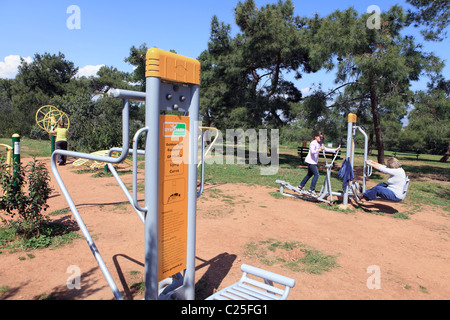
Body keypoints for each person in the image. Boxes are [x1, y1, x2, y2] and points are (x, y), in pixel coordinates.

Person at [298, 131, 340, 196]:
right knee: (316, 175)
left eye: (321, 137)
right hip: (310, 162)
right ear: (315, 137)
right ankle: (311, 190)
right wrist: (320, 149)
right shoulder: (313, 143)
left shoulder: (319, 143)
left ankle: (300, 186)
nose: (320, 138)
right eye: (319, 137)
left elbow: (325, 149)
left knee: (309, 175)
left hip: (313, 162)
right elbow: (312, 152)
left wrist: (335, 150)